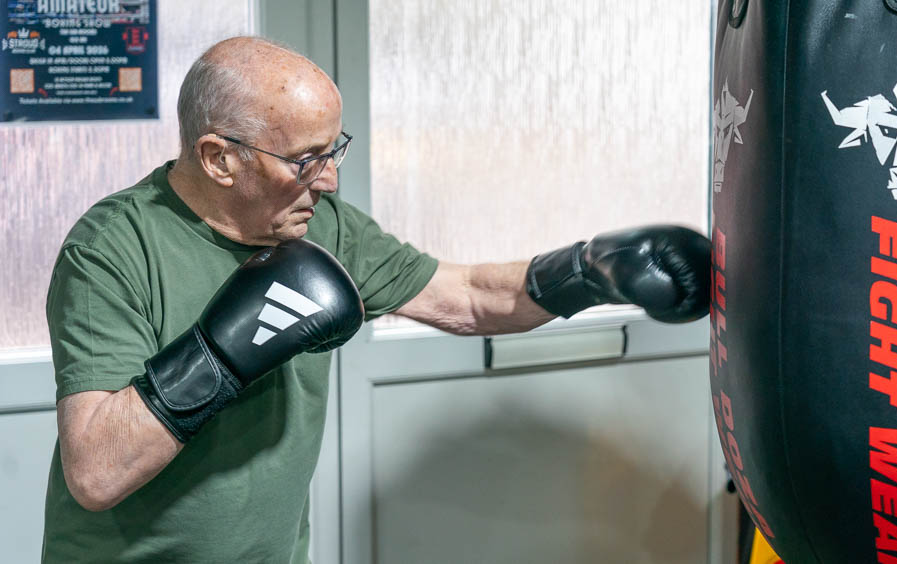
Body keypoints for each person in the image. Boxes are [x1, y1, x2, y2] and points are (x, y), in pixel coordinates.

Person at [41, 36, 711, 562]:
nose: (329, 180)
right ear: (219, 158)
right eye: (306, 160)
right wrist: (221, 353)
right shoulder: (113, 247)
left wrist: (588, 272)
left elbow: (470, 298)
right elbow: (95, 473)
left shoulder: (320, 226)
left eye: (335, 151)